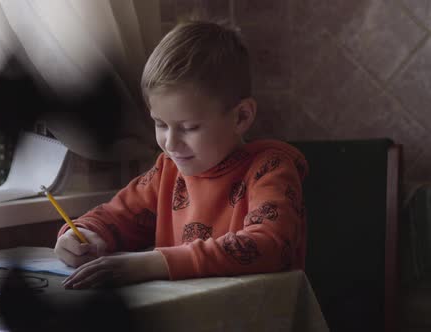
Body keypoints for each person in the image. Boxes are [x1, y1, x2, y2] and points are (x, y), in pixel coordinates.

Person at [55, 20, 308, 289]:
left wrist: (153, 263)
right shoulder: (167, 171)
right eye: (160, 124)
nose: (170, 143)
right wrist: (82, 234)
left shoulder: (270, 169)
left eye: (189, 128)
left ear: (241, 117)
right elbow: (116, 216)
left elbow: (268, 245)